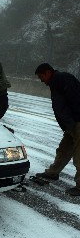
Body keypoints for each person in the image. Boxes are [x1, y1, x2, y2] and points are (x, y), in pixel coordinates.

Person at [34, 63, 80, 196]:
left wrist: (74, 121)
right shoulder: (56, 82)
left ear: (48, 72)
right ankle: (53, 173)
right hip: (72, 124)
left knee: (79, 155)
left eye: (41, 76)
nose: (41, 80)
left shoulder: (62, 79)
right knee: (63, 150)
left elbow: (76, 99)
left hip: (77, 122)